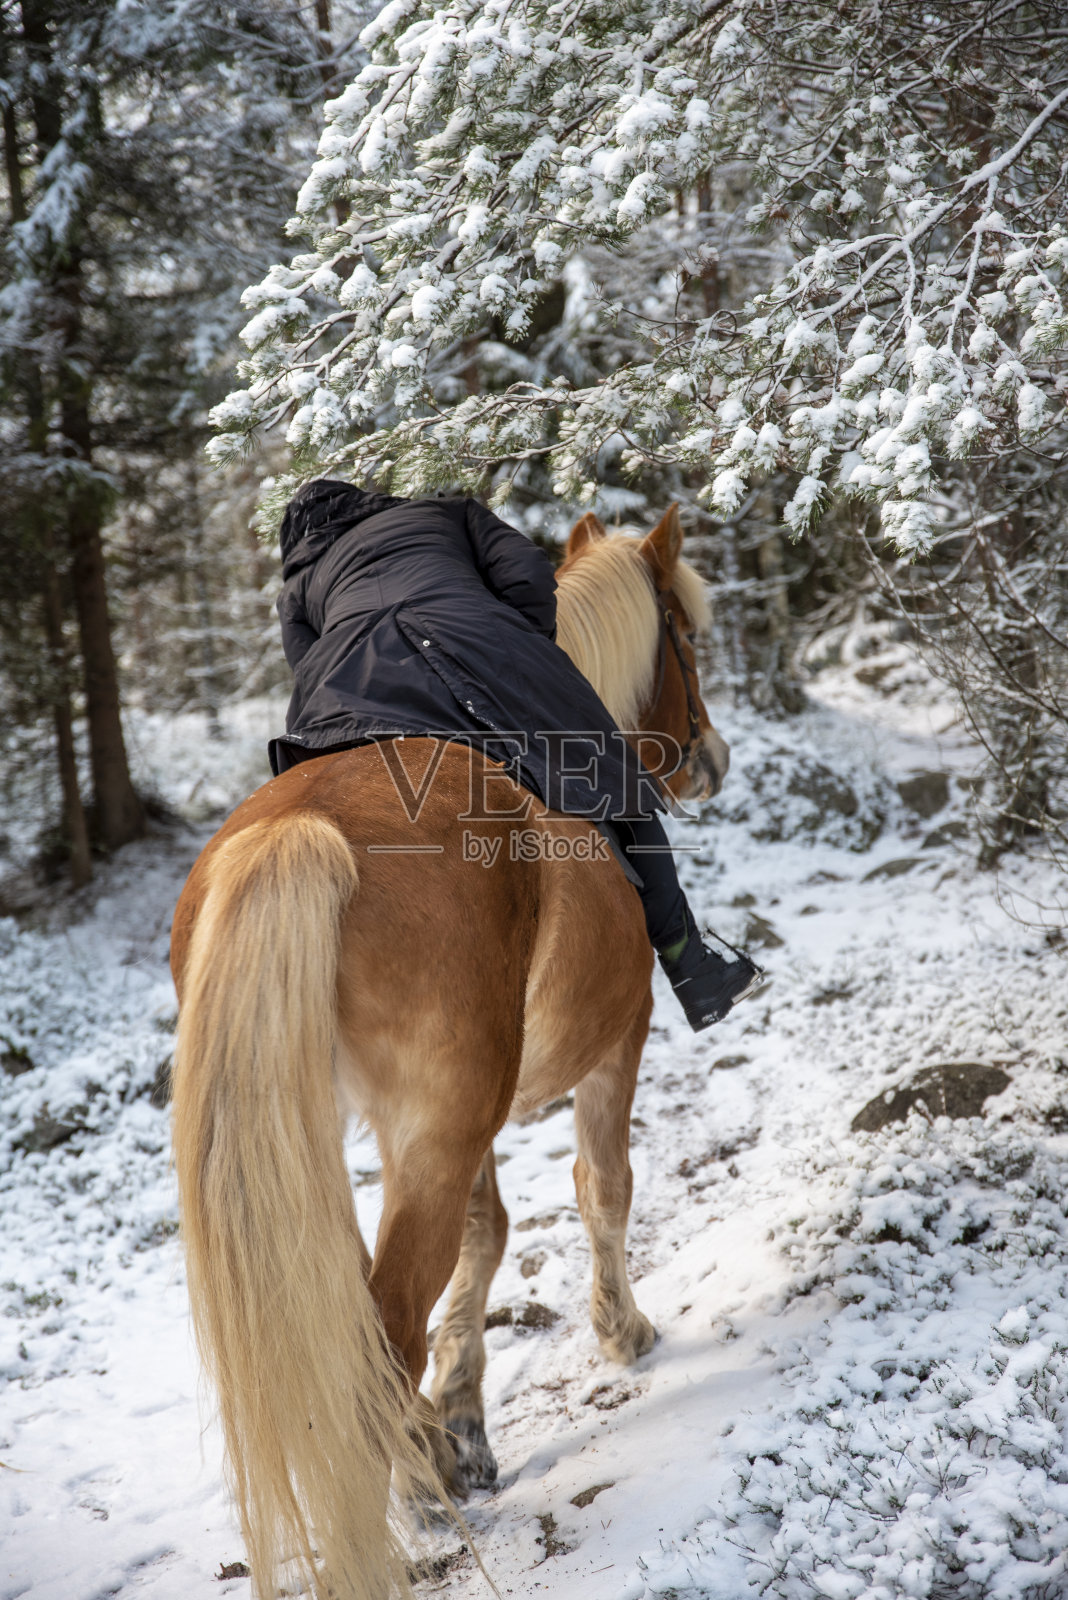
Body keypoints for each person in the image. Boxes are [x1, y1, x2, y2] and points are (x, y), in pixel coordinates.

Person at [268, 480, 762, 1031]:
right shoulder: (446, 513)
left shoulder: (299, 581)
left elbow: (304, 662)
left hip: (350, 695)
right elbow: (527, 571)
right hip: (473, 654)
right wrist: (522, 646)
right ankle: (692, 969)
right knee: (615, 777)